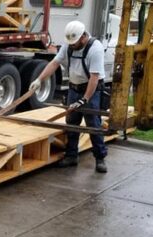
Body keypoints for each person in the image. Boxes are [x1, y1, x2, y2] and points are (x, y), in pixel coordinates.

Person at [29, 20, 108, 173]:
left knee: (93, 124)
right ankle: (71, 156)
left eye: (75, 42)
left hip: (91, 90)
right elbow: (54, 63)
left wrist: (84, 99)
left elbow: (94, 77)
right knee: (71, 123)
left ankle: (100, 158)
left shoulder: (95, 48)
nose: (72, 46)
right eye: (70, 43)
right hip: (74, 88)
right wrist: (39, 80)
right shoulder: (69, 45)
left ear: (83, 36)